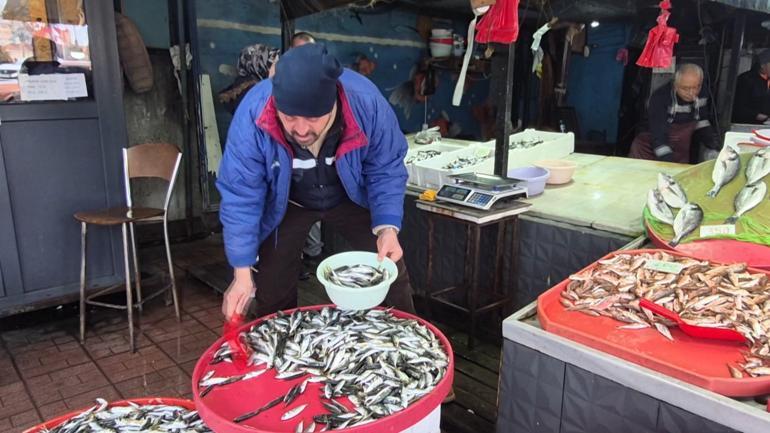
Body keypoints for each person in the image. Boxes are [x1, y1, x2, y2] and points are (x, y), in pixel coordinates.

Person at [217, 44, 415, 319]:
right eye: (289, 117)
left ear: (333, 101)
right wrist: (241, 273)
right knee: (271, 288)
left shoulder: (366, 103)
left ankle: (405, 335)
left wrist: (387, 229)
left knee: (389, 271)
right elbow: (241, 193)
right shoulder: (254, 114)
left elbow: (385, 167)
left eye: (312, 118)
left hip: (350, 195)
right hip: (288, 200)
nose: (300, 129)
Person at [629, 63, 718, 164]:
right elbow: (658, 134)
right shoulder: (660, 98)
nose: (692, 93)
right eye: (685, 88)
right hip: (650, 144)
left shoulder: (703, 92)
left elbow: (701, 120)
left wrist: (712, 146)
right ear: (675, 85)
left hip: (679, 147)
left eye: (696, 87)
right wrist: (667, 162)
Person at [218, 44, 280, 115]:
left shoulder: (241, 88)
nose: (278, 69)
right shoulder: (255, 95)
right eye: (274, 65)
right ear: (260, 66)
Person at [733, 50, 770, 125]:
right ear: (763, 65)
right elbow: (738, 108)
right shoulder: (745, 79)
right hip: (747, 124)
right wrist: (758, 116)